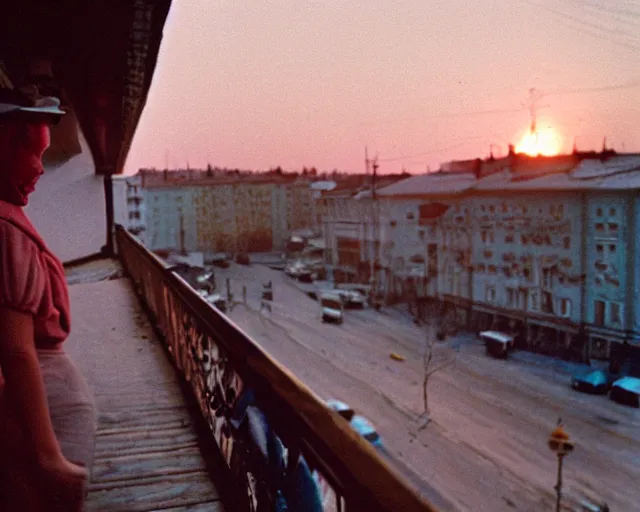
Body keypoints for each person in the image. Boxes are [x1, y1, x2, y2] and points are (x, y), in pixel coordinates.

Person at [0, 71, 97, 510]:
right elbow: (16, 352)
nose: (41, 169)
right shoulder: (5, 230)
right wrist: (49, 456)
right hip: (40, 425)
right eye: (34, 154)